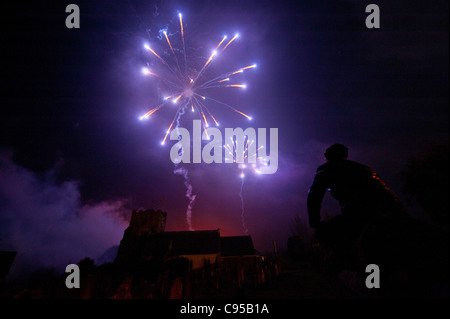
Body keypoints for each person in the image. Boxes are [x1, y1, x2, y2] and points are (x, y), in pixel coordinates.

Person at [307, 144, 407, 271]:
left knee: (326, 233)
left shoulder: (327, 169)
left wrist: (315, 223)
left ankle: (350, 271)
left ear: (328, 157)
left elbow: (314, 196)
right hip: (396, 211)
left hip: (363, 214)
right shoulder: (366, 169)